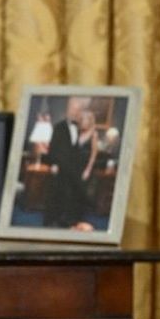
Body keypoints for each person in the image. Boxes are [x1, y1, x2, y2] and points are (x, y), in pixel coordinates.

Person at [44, 97, 91, 227]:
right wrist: (53, 165)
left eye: (78, 110)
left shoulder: (81, 128)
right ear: (68, 109)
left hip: (74, 170)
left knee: (74, 196)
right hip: (61, 168)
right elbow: (52, 150)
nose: (75, 112)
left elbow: (80, 151)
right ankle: (51, 222)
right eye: (73, 109)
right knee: (57, 196)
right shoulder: (59, 127)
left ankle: (70, 222)